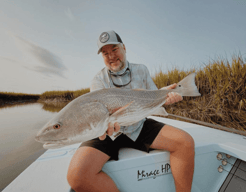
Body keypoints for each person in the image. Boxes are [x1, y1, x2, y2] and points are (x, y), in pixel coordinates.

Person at [67, 30, 195, 192]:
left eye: (114, 49)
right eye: (105, 53)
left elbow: (153, 96)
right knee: (76, 176)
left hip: (138, 125)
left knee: (185, 142)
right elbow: (98, 113)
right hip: (108, 133)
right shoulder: (98, 80)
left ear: (124, 47)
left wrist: (167, 95)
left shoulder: (141, 69)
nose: (111, 56)